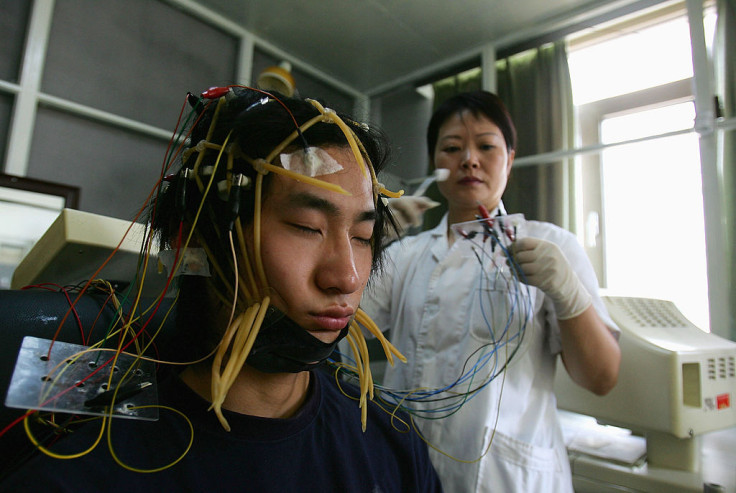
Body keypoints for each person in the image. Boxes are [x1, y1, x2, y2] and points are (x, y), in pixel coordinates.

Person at [0, 87, 442, 492]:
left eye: (364, 237)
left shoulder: (393, 443)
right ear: (196, 237)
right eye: (307, 227)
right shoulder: (85, 471)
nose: (346, 276)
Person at [361, 90, 621, 492]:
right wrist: (365, 242)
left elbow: (601, 378)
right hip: (405, 468)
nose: (469, 159)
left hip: (508, 478)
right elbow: (340, 323)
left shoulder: (552, 246)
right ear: (436, 161)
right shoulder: (407, 254)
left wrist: (569, 293)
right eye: (452, 147)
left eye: (486, 146)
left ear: (510, 159)